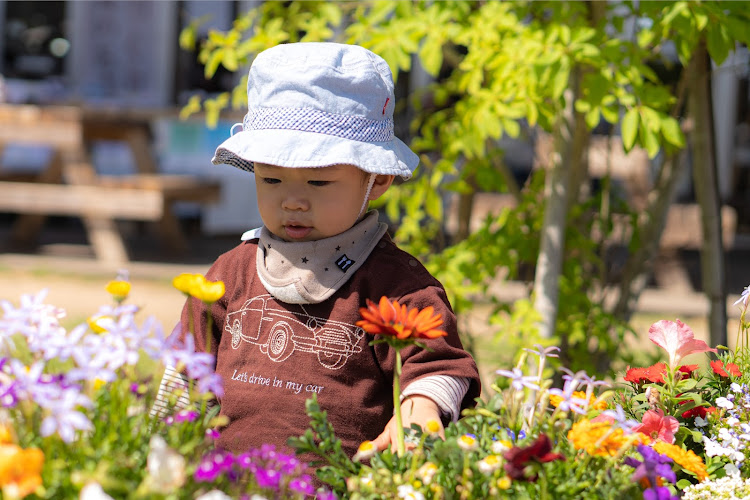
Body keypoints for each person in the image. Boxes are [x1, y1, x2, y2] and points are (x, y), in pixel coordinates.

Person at [153, 42, 481, 457]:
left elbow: (440, 367)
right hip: (226, 482)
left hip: (341, 484)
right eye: (271, 181)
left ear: (377, 179)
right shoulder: (229, 273)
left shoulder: (398, 286)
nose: (292, 201)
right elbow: (185, 372)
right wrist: (162, 454)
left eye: (318, 182)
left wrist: (421, 408)